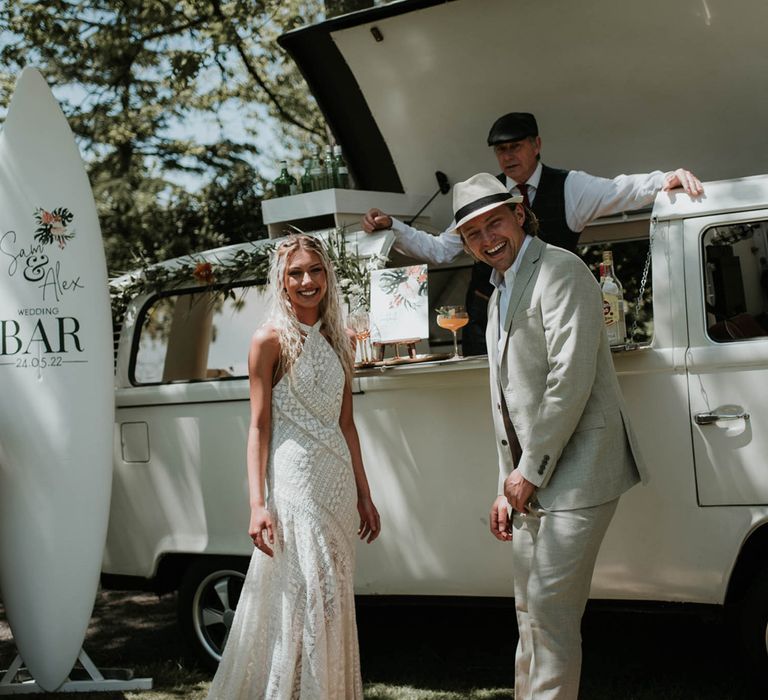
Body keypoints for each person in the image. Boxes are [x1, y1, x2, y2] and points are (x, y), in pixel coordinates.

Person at [452, 172, 648, 700]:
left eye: (494, 222)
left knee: (551, 615)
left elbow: (570, 381)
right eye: (472, 233)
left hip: (582, 468)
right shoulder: (496, 291)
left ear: (519, 212)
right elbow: (507, 401)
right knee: (529, 613)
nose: (487, 239)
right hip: (531, 478)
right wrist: (505, 483)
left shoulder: (561, 269)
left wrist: (527, 473)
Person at [362, 111, 704, 354]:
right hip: (488, 318)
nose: (507, 156)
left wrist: (664, 179)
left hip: (554, 312)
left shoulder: (570, 186)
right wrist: (394, 226)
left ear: (536, 144)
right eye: (500, 150)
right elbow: (439, 250)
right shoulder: (482, 195)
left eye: (515, 147)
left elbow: (620, 189)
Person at [206, 234, 381, 699]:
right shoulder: (267, 341)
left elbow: (347, 425)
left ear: (328, 276)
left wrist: (365, 494)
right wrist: (257, 503)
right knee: (300, 596)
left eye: (316, 271)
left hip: (338, 483)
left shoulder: (340, 338)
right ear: (281, 281)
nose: (308, 281)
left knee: (331, 598)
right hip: (296, 481)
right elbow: (258, 428)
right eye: (296, 273)